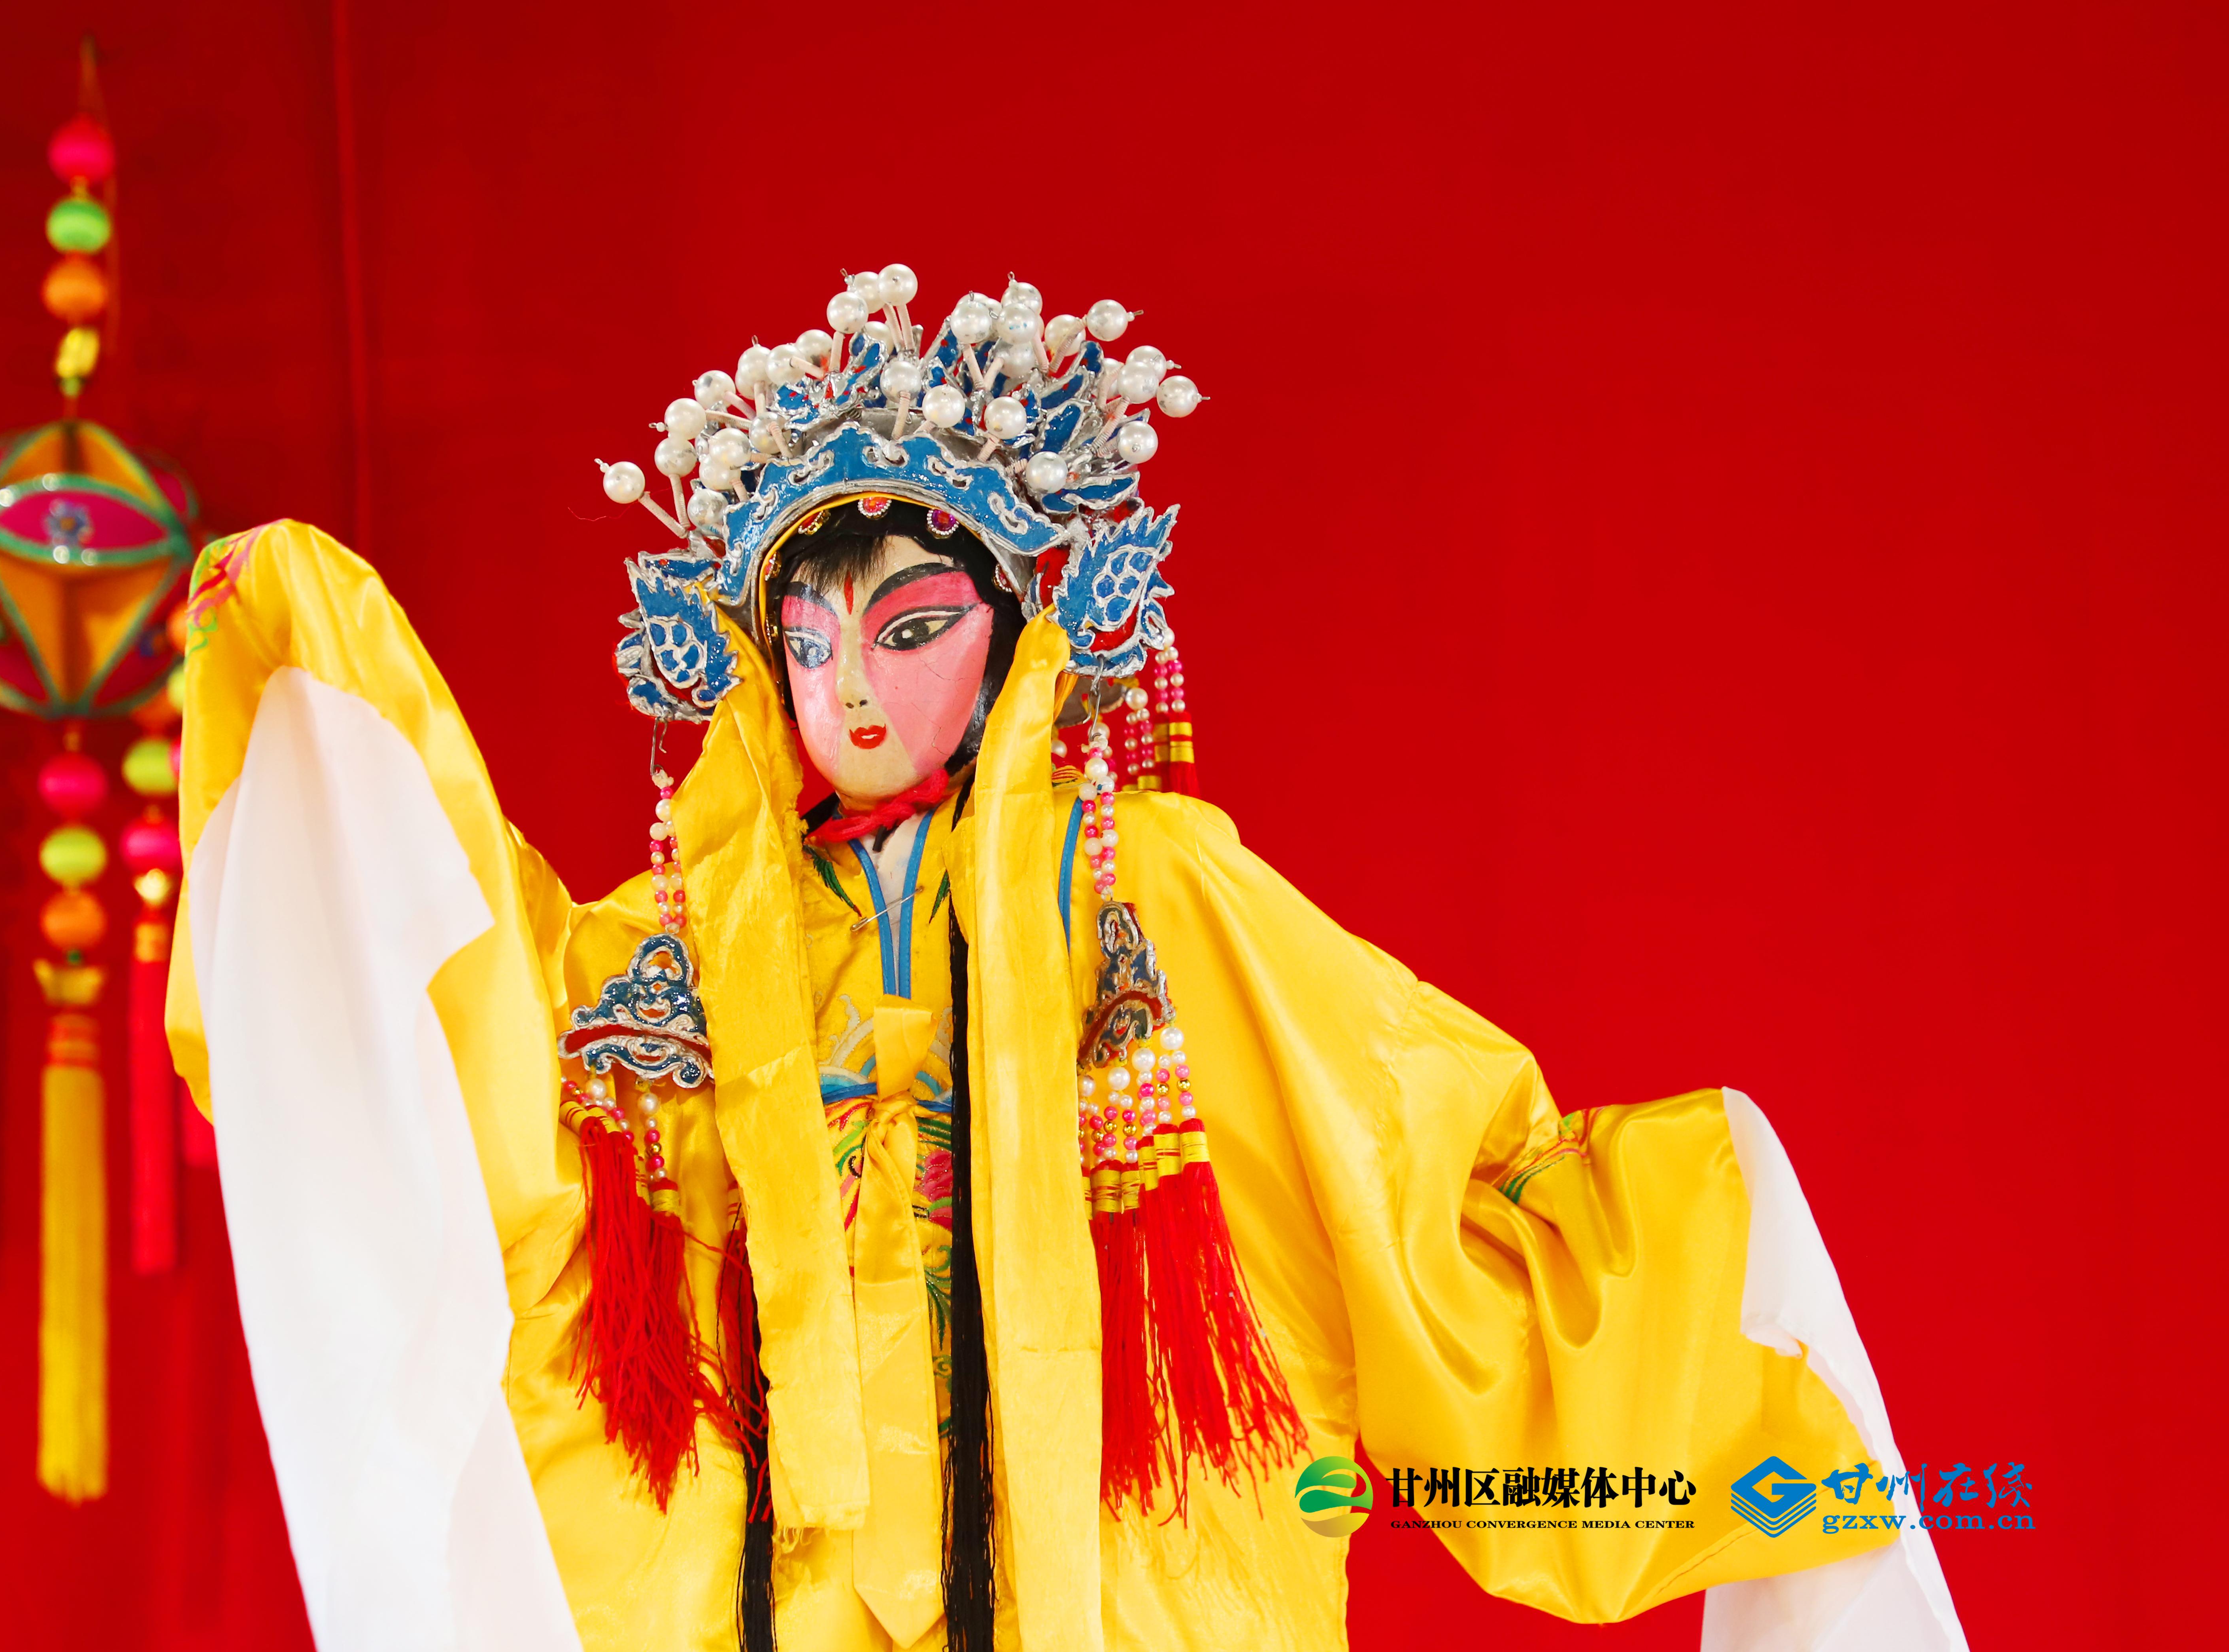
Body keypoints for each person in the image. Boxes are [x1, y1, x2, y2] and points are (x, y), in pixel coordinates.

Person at [167, 267, 1967, 1652]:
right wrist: (346, 777)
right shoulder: (667, 959)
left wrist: (1694, 1247)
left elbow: (1406, 1172)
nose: (853, 688)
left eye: (911, 626)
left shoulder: (1156, 903)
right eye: (809, 639)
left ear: (1025, 630)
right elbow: (496, 1163)